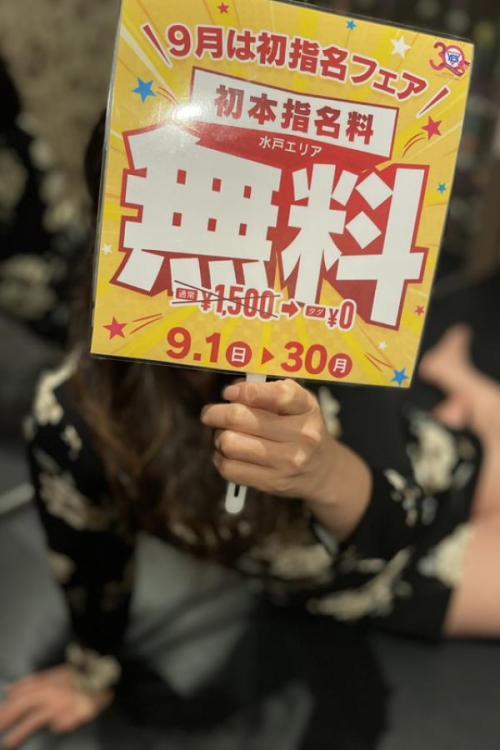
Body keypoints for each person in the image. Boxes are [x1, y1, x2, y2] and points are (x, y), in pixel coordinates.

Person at [0, 117, 499, 749]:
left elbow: (394, 521)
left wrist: (321, 471)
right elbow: (92, 560)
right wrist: (89, 674)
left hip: (428, 469)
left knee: (469, 448)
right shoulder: (75, 416)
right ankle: (470, 391)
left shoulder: (332, 322)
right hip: (377, 577)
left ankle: (472, 393)